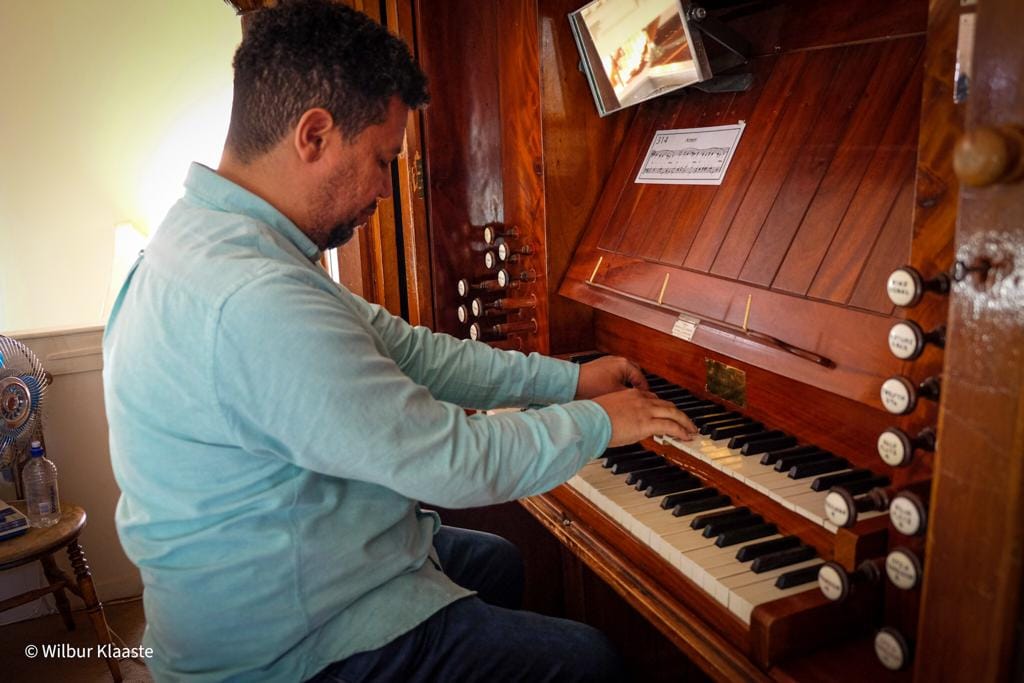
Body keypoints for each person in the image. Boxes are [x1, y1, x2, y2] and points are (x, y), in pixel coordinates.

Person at [102, 2, 697, 681]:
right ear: (315, 134)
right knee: (588, 661)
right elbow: (452, 462)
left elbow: (407, 351)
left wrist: (566, 380)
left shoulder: (212, 238)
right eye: (382, 160)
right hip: (283, 649)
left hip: (269, 576)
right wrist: (598, 422)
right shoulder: (254, 297)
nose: (385, 189)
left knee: (498, 558)